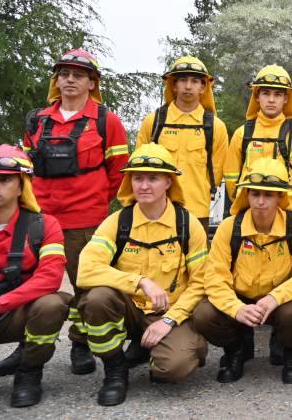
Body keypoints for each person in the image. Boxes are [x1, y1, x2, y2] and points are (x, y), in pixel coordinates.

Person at [9, 49, 128, 377]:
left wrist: (95, 203)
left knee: (86, 286)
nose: (70, 79)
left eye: (78, 74)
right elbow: (26, 169)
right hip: (40, 221)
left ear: (92, 82)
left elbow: (119, 172)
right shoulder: (37, 120)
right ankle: (25, 350)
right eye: (64, 74)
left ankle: (81, 342)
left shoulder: (106, 121)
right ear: (56, 80)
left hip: (86, 221)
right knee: (31, 283)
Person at [76, 144, 208, 406]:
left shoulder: (188, 224)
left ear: (169, 181)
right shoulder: (117, 222)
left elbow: (200, 282)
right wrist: (139, 282)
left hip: (168, 312)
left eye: (153, 178)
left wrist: (169, 321)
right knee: (97, 298)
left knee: (174, 369)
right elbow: (85, 271)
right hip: (129, 309)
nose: (144, 185)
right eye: (138, 178)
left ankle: (156, 346)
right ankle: (115, 369)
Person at [193, 158, 292, 384]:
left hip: (280, 299)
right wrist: (236, 308)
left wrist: (274, 298)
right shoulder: (230, 227)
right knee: (203, 314)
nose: (260, 201)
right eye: (255, 194)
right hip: (240, 297)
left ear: (280, 197)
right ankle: (236, 348)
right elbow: (215, 277)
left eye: (268, 195)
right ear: (245, 195)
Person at [0, 146, 69, 407]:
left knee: (52, 304)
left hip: (13, 312)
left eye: (4, 179)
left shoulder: (44, 225)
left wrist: (0, 303)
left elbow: (49, 277)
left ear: (21, 185)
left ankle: (29, 372)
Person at [137, 56, 228, 231]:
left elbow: (216, 172)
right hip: (155, 211)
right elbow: (139, 167)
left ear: (203, 87)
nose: (188, 86)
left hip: (197, 213)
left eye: (195, 81)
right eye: (182, 80)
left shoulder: (216, 127)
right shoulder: (153, 122)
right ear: (173, 85)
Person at [224, 65, 292, 212]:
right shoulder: (242, 134)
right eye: (266, 93)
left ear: (286, 98)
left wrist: (289, 204)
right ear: (257, 97)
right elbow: (231, 177)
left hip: (286, 214)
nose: (271, 100)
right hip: (248, 212)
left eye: (277, 94)